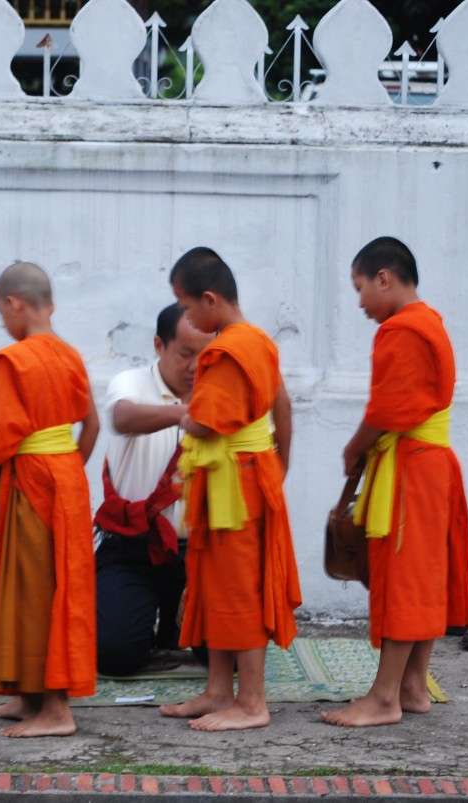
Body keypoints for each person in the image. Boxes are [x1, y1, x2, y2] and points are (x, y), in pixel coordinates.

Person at [322, 236, 468, 727]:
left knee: (405, 577)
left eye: (360, 287)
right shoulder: (429, 322)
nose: (360, 302)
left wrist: (354, 448)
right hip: (431, 463)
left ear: (384, 277)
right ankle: (412, 686)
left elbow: (388, 410)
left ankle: (384, 697)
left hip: (410, 466)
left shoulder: (403, 330)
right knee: (424, 575)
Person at [0, 261, 100, 738]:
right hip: (64, 479)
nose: (5, 325)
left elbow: (0, 436)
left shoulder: (13, 360)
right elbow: (91, 424)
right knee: (31, 585)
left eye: (3, 314)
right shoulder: (71, 355)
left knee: (36, 592)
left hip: (35, 480)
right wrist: (67, 467)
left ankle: (56, 711)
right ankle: (28, 696)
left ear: (13, 304)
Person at [159, 246, 302, 732]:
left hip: (234, 485)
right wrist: (278, 466)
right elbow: (283, 405)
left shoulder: (224, 351)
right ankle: (219, 690)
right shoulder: (258, 341)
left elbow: (202, 422)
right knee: (215, 582)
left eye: (187, 305)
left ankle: (253, 702)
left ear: (210, 298)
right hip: (246, 474)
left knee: (239, 589)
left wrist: (179, 412)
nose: (187, 316)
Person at [94, 302, 212, 676]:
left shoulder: (225, 389)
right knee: (116, 656)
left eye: (206, 355)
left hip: (202, 552)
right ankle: (154, 624)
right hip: (133, 546)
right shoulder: (130, 382)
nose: (196, 367)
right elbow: (122, 416)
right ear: (159, 346)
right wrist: (185, 415)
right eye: (185, 354)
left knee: (227, 654)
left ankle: (176, 626)